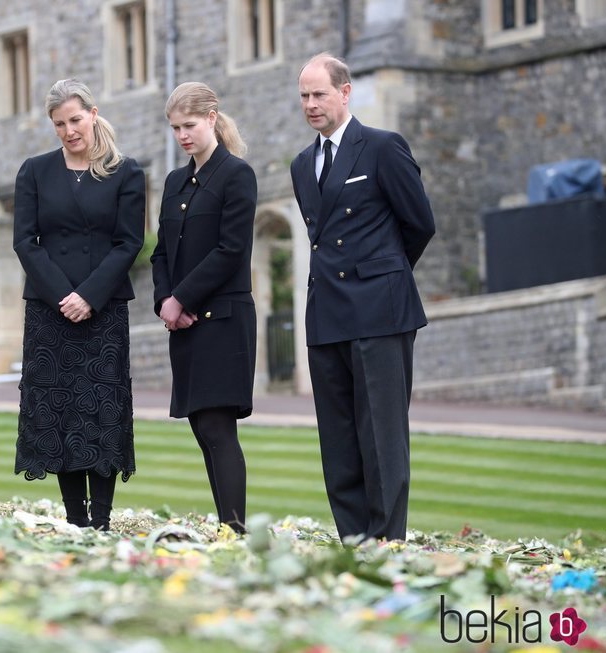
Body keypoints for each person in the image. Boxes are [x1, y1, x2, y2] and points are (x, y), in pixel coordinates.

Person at [290, 53, 436, 542]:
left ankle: (387, 545)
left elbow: (419, 224)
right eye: (305, 96)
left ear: (345, 92)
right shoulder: (300, 165)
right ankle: (354, 542)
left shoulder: (381, 147)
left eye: (320, 94)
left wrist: (383, 278)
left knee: (382, 439)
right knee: (338, 440)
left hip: (379, 313)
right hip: (326, 314)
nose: (311, 104)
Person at [13, 78, 145, 531]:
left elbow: (129, 242)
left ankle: (102, 521)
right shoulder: (33, 171)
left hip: (103, 311)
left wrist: (88, 295)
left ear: (92, 113)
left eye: (74, 120)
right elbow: (25, 243)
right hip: (49, 313)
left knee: (100, 409)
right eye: (59, 124)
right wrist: (62, 297)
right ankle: (74, 519)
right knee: (61, 410)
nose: (69, 131)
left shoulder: (126, 172)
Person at [150, 82, 257, 534]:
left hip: (224, 320)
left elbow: (231, 250)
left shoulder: (237, 175)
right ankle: (227, 529)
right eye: (175, 128)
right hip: (186, 323)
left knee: (217, 427)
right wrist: (164, 302)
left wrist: (182, 298)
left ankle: (234, 531)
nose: (182, 136)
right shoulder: (175, 181)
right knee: (201, 427)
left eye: (189, 125)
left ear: (212, 118)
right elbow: (160, 253)